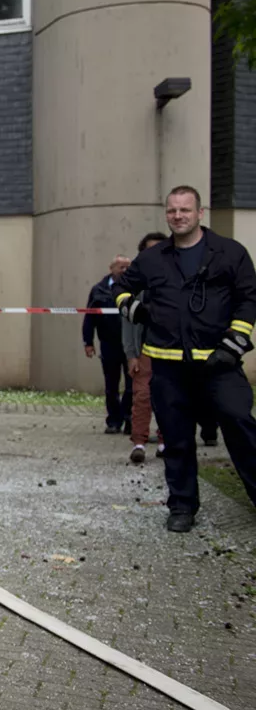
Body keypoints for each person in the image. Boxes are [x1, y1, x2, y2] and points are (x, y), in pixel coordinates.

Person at [116, 186, 256, 531]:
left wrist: (233, 343)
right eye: (172, 210)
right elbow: (119, 288)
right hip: (168, 366)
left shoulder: (230, 253)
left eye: (185, 210)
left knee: (240, 424)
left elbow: (248, 299)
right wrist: (135, 309)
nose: (178, 216)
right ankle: (181, 506)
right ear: (167, 214)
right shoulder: (152, 258)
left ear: (200, 213)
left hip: (219, 363)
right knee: (176, 438)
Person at [124, 232, 167, 463]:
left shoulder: (177, 280)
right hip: (145, 351)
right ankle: (139, 443)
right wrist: (131, 354)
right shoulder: (135, 284)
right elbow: (128, 323)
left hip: (172, 350)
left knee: (169, 398)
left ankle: (164, 441)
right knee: (142, 396)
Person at [84, 254, 133, 434]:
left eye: (128, 267)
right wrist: (88, 342)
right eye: (121, 267)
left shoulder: (135, 288)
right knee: (111, 385)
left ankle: (129, 418)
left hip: (131, 345)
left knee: (132, 385)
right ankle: (113, 420)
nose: (125, 271)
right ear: (111, 269)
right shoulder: (99, 290)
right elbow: (90, 317)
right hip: (109, 344)